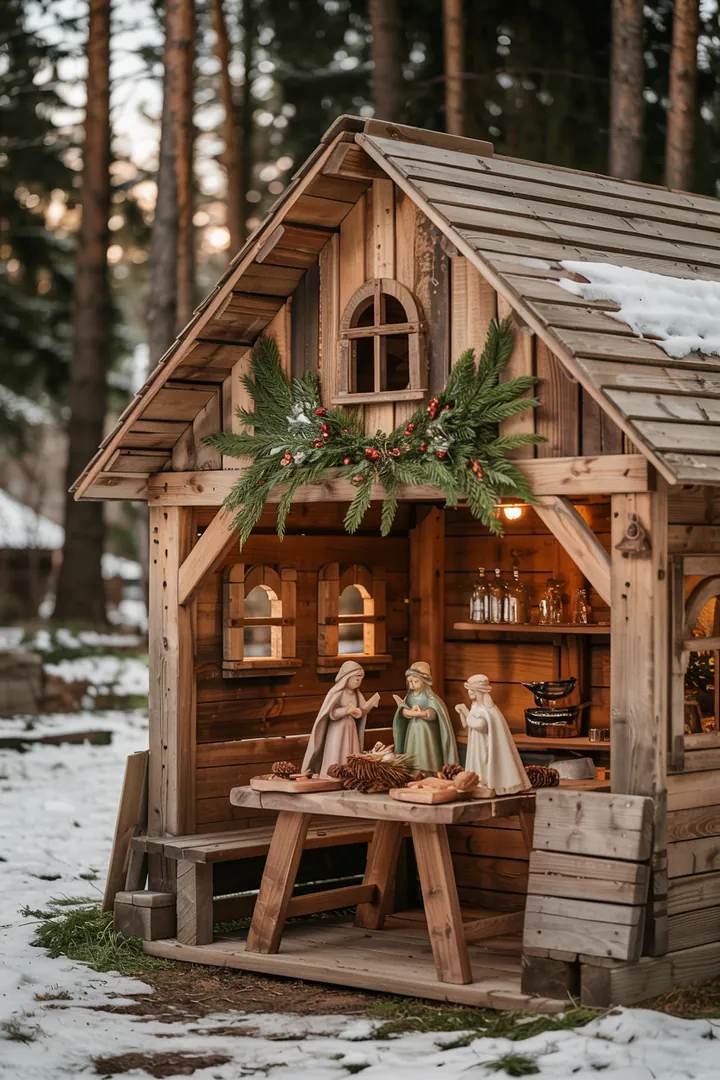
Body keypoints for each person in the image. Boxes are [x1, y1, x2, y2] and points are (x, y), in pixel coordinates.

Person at [456, 673, 530, 795]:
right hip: (476, 743)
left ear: (478, 691)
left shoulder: (487, 710)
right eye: (469, 690)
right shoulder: (475, 706)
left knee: (484, 760)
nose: (469, 692)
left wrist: (465, 712)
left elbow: (480, 725)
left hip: (485, 744)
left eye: (471, 690)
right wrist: (462, 712)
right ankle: (478, 782)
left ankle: (487, 783)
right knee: (478, 761)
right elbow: (467, 725)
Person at [302, 660, 379, 777]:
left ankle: (351, 775)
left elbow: (360, 711)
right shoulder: (337, 693)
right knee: (336, 750)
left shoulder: (357, 694)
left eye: (360, 679)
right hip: (337, 729)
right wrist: (346, 711)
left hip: (351, 727)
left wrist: (361, 710)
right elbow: (332, 713)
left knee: (351, 750)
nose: (358, 681)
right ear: (346, 677)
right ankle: (332, 774)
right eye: (356, 678)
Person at [392, 661, 458, 774]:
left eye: (416, 681)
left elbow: (433, 713)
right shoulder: (410, 696)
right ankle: (412, 770)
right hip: (413, 731)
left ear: (425, 681)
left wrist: (421, 713)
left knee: (426, 749)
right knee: (413, 749)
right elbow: (403, 711)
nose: (412, 685)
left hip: (427, 733)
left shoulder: (431, 698)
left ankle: (429, 770)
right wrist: (409, 712)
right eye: (410, 682)